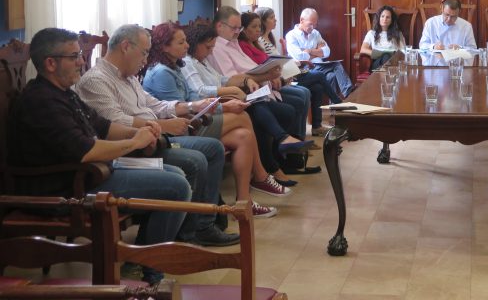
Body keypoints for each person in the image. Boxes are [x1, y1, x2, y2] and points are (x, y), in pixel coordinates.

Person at [9, 27, 192, 285]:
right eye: (75, 56)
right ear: (51, 63)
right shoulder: (41, 101)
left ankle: (141, 258)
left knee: (173, 173)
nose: (82, 61)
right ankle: (146, 267)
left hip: (93, 173)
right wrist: (134, 141)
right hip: (69, 186)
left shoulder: (64, 93)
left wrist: (141, 132)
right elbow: (87, 150)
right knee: (176, 186)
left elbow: (103, 127)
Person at [75, 24, 240, 247]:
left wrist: (191, 105)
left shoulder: (129, 77)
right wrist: (162, 126)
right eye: (144, 52)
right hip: (132, 149)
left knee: (213, 148)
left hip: (150, 138)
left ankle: (198, 227)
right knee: (194, 160)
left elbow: (155, 104)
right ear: (125, 47)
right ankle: (187, 233)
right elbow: (113, 123)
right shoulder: (97, 80)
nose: (146, 59)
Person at [142, 22, 290, 206]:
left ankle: (244, 202)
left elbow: (194, 96)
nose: (187, 46)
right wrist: (225, 106)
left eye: (186, 41)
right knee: (243, 117)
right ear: (164, 46)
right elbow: (181, 110)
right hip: (181, 130)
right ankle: (260, 176)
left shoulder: (175, 66)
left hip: (195, 120)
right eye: (181, 43)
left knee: (243, 136)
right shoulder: (162, 72)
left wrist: (231, 95)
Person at [181, 23, 300, 187]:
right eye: (208, 47)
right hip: (208, 109)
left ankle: (269, 166)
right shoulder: (188, 62)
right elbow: (199, 91)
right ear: (196, 43)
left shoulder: (201, 61)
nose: (210, 52)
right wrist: (230, 90)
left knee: (269, 113)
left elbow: (223, 79)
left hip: (219, 102)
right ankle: (268, 168)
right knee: (252, 113)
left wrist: (246, 80)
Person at [207, 7, 318, 175]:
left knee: (299, 99)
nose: (238, 32)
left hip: (259, 87)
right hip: (243, 93)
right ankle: (278, 160)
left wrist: (269, 74)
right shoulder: (217, 47)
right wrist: (265, 75)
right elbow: (231, 79)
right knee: (287, 109)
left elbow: (251, 65)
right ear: (219, 26)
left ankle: (288, 157)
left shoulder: (233, 42)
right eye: (234, 28)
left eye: (239, 28)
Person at [240, 11, 335, 137]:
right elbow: (296, 56)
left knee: (318, 86)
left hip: (288, 71)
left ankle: (315, 128)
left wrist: (309, 52)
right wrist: (315, 52)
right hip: (283, 75)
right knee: (317, 78)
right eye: (272, 18)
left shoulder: (267, 40)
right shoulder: (288, 36)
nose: (276, 20)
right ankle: (338, 104)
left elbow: (327, 51)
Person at [285, 7, 355, 98]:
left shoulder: (315, 33)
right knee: (336, 65)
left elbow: (327, 52)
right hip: (304, 69)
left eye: (315, 24)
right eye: (310, 24)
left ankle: (333, 107)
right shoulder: (291, 35)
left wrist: (309, 51)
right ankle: (348, 92)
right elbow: (300, 57)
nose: (312, 27)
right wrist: (317, 52)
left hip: (319, 67)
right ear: (301, 20)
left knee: (331, 76)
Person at [360, 5, 406, 69]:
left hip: (393, 62)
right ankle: (387, 76)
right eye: (382, 16)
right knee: (385, 56)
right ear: (379, 18)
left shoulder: (397, 34)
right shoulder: (371, 33)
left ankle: (385, 76)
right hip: (377, 63)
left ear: (391, 20)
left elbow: (403, 51)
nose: (385, 19)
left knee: (387, 57)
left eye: (388, 17)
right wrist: (380, 53)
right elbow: (363, 49)